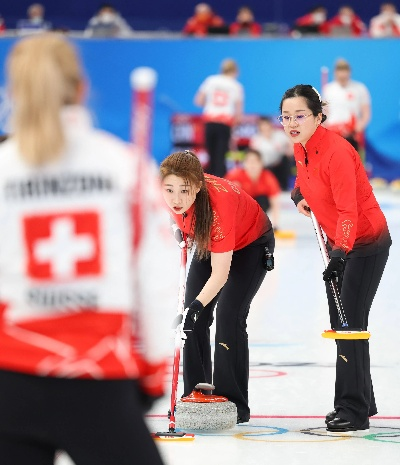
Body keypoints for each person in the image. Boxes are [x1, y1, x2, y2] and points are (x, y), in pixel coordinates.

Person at [0, 33, 176, 464]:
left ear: (15, 93)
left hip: (9, 378)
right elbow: (155, 281)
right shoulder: (123, 165)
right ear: (81, 90)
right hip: (98, 376)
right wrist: (153, 373)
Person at [279, 84, 391, 433]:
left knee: (350, 325)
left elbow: (348, 210)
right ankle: (362, 399)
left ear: (318, 117)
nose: (292, 123)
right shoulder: (301, 147)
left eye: (300, 116)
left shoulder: (337, 152)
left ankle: (352, 409)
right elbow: (305, 179)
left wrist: (341, 251)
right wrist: (299, 194)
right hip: (339, 246)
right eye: (286, 116)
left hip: (365, 241)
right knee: (344, 322)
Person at [160, 150, 275, 424]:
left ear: (198, 187)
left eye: (184, 191)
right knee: (190, 322)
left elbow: (220, 274)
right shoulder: (169, 197)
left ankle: (234, 402)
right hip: (207, 239)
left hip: (251, 244)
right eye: (169, 190)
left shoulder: (218, 207)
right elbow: (175, 216)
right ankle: (194, 395)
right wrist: (181, 231)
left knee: (228, 315)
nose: (176, 199)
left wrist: (196, 307)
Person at [194, 58, 244, 178]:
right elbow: (238, 114)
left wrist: (211, 106)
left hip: (210, 122)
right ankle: (220, 185)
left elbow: (198, 101)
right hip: (224, 124)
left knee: (211, 156)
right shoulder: (236, 86)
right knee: (221, 157)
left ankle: (209, 184)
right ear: (235, 71)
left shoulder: (210, 80)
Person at [322, 58, 371, 158]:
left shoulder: (359, 88)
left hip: (352, 133)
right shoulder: (328, 89)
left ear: (349, 72)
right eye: (339, 72)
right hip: (334, 133)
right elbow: (325, 113)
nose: (342, 76)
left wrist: (360, 126)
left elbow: (366, 112)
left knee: (353, 163)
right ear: (335, 73)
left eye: (345, 72)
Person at [225, 148, 281, 228]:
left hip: (258, 207)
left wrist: (275, 225)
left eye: (255, 162)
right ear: (244, 163)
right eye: (249, 162)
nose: (252, 165)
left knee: (263, 200)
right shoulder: (235, 176)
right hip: (240, 209)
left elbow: (275, 202)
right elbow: (222, 197)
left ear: (261, 164)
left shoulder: (268, 178)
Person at [249, 116, 293, 190]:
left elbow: (291, 144)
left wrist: (289, 152)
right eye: (262, 125)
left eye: (266, 125)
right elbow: (253, 155)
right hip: (264, 166)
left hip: (279, 164)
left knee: (285, 160)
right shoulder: (256, 139)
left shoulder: (280, 135)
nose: (265, 127)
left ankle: (284, 187)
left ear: (270, 125)